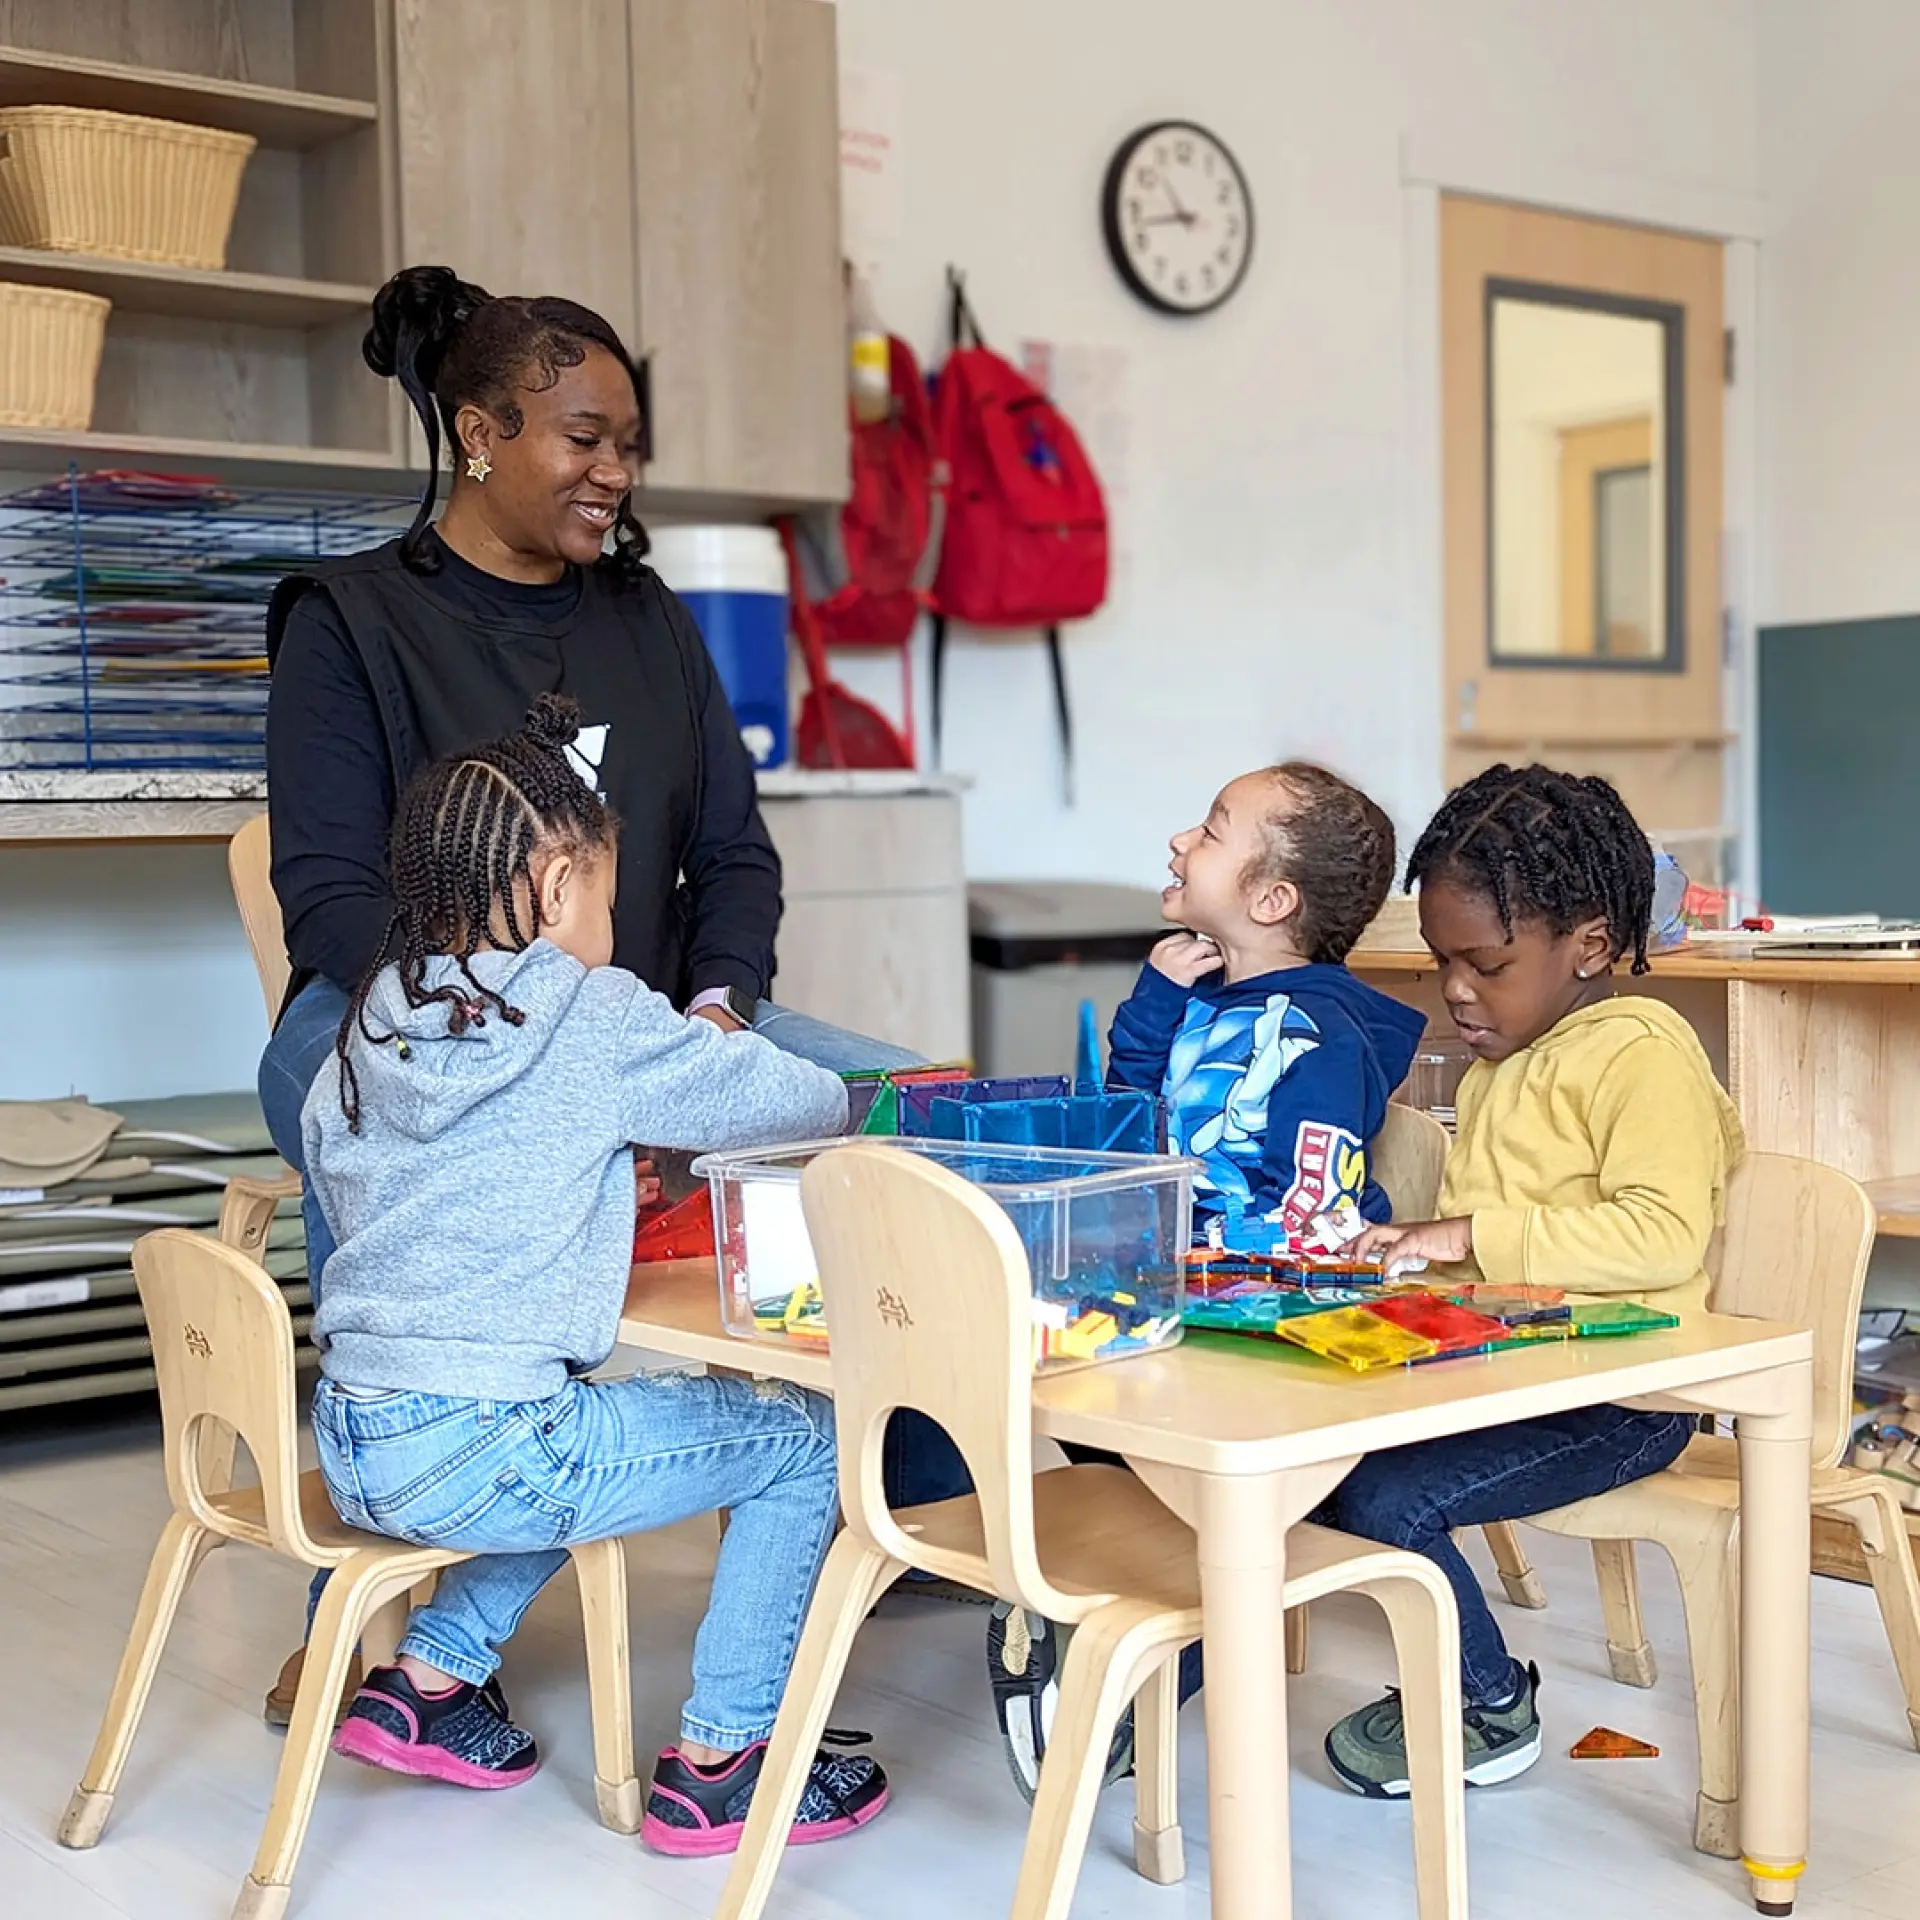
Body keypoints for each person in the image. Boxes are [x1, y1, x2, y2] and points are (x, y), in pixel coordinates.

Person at [258, 264, 915, 1721]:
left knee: (907, 1098)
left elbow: (734, 859)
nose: (616, 471)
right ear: (481, 429)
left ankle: (915, 1496)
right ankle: (360, 1609)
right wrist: (526, 1030)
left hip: (655, 1016)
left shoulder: (649, 618)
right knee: (347, 1104)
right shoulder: (352, 620)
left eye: (632, 442)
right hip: (405, 1004)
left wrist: (726, 1006)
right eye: (585, 437)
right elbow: (329, 897)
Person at [306, 694, 889, 1853]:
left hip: (355, 1439)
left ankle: (430, 1681)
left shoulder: (376, 1013)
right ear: (562, 886)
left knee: (565, 1428)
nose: (610, 926)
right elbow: (801, 1101)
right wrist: (747, 1061)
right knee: (803, 1439)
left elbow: (330, 1152)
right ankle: (731, 1758)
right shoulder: (586, 1009)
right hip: (487, 1444)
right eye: (609, 900)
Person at [983, 763, 1426, 1799]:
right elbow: (1128, 1118)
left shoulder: (1318, 1032)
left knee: (1162, 1450)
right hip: (1175, 1288)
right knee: (1053, 1389)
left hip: (1262, 1311)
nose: (1183, 839)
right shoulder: (1205, 1002)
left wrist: (1220, 1272)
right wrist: (1154, 998)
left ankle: (1124, 1668)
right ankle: (1110, 1625)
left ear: (1271, 902)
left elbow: (1310, 1200)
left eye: (1214, 831)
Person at [1320, 762, 1744, 1796]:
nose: (1456, 989)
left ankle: (1485, 1701)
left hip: (1624, 1394)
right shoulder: (1501, 1063)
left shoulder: (1641, 1052)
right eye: (1440, 963)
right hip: (1517, 1367)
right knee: (1312, 1448)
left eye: (1485, 963)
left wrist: (1461, 1231)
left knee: (1379, 1491)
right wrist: (1395, 1254)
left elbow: (1658, 1237)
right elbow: (1502, 1245)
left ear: (1590, 946)